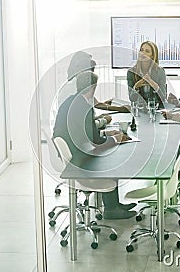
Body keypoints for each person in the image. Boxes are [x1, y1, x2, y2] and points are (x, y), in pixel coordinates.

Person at [53, 71, 136, 219]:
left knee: (110, 152)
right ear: (93, 88)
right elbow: (95, 144)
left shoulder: (71, 101)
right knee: (112, 157)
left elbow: (86, 132)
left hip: (71, 152)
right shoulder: (85, 107)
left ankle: (114, 205)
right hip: (79, 158)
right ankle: (111, 209)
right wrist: (116, 139)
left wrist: (107, 134)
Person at [127, 41, 167, 108]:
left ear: (152, 56)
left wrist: (152, 83)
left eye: (147, 51)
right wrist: (136, 86)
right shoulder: (131, 72)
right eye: (141, 50)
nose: (143, 53)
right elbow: (132, 98)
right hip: (139, 110)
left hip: (157, 110)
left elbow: (163, 98)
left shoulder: (160, 71)